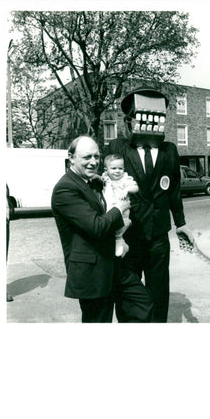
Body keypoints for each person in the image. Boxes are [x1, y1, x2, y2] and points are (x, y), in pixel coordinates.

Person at [104, 87, 193, 323]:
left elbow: (173, 189)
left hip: (158, 236)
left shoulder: (169, 150)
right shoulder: (120, 148)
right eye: (141, 116)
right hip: (130, 235)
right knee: (128, 291)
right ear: (130, 120)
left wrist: (181, 223)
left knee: (159, 291)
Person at [51, 135, 152, 323]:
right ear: (71, 157)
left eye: (96, 157)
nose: (93, 162)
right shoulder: (65, 189)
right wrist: (118, 209)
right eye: (87, 157)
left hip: (115, 265)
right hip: (93, 273)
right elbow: (96, 227)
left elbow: (117, 183)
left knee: (142, 304)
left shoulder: (93, 182)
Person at [101, 153, 139, 258]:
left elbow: (136, 188)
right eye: (113, 168)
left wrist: (127, 190)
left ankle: (119, 241)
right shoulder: (105, 178)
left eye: (120, 168)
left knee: (119, 227)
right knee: (108, 226)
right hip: (109, 207)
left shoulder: (125, 179)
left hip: (123, 209)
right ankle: (121, 244)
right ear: (106, 169)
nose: (117, 171)